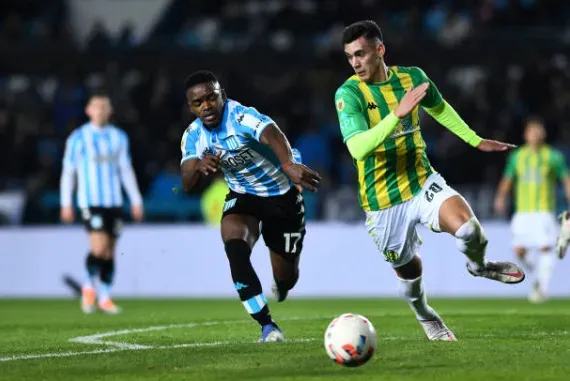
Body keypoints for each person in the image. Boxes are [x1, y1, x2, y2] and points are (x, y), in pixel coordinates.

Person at [334, 20, 525, 341]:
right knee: (410, 272)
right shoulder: (349, 93)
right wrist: (396, 114)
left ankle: (478, 266)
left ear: (380, 51)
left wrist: (474, 139)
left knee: (469, 229)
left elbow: (439, 107)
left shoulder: (412, 77)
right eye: (350, 56)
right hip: (382, 200)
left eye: (361, 54)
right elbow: (357, 147)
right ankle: (426, 315)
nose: (355, 63)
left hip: (421, 180)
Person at [180, 70, 321, 343]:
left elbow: (273, 134)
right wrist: (197, 167)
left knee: (286, 279)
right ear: (191, 107)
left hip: (282, 195)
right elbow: (186, 183)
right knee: (235, 247)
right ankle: (267, 325)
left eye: (211, 98)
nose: (206, 105)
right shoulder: (193, 136)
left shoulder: (241, 116)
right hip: (244, 195)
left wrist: (288, 165)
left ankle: (281, 285)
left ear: (223, 96)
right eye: (198, 102)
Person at [60, 93, 144, 314]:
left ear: (110, 111)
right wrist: (66, 202)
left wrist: (135, 200)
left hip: (113, 201)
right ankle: (89, 286)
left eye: (104, 107)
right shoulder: (78, 137)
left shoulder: (119, 137)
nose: (100, 110)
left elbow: (126, 170)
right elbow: (69, 172)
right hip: (90, 200)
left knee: (109, 252)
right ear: (88, 110)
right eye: (96, 107)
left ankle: (104, 296)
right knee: (98, 247)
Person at [495, 117, 570, 302]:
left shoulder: (553, 156)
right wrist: (500, 197)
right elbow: (508, 179)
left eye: (538, 131)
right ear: (525, 135)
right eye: (531, 131)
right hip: (522, 212)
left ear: (543, 134)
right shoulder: (517, 156)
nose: (535, 135)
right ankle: (538, 275)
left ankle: (542, 288)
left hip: (544, 210)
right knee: (519, 251)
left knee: (545, 247)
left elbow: (565, 180)